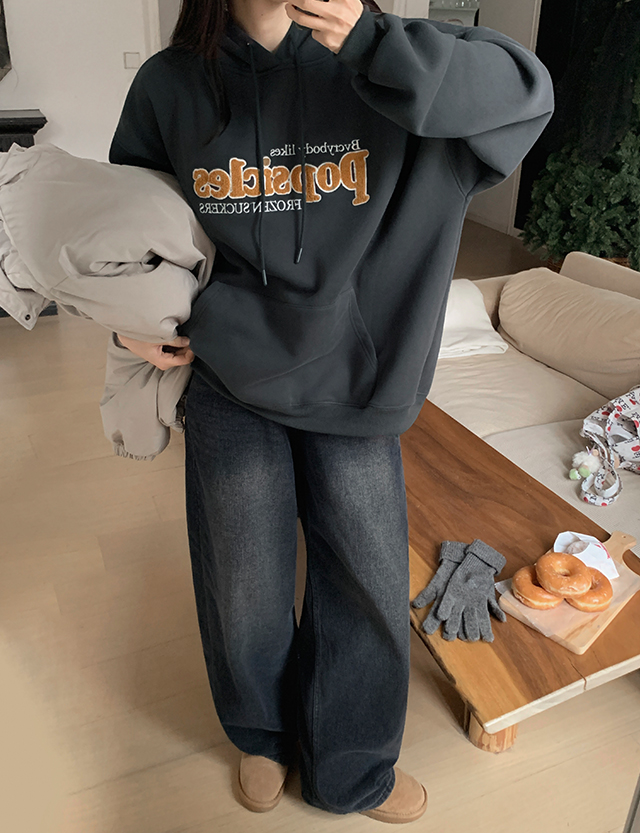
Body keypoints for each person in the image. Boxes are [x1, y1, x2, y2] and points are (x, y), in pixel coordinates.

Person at [109, 0, 554, 822]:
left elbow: (526, 95)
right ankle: (261, 734)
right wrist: (129, 317)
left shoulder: (399, 63)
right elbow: (129, 225)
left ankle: (353, 766)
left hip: (360, 386)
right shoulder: (171, 84)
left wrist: (375, 44)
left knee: (366, 583)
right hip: (230, 378)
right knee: (241, 579)